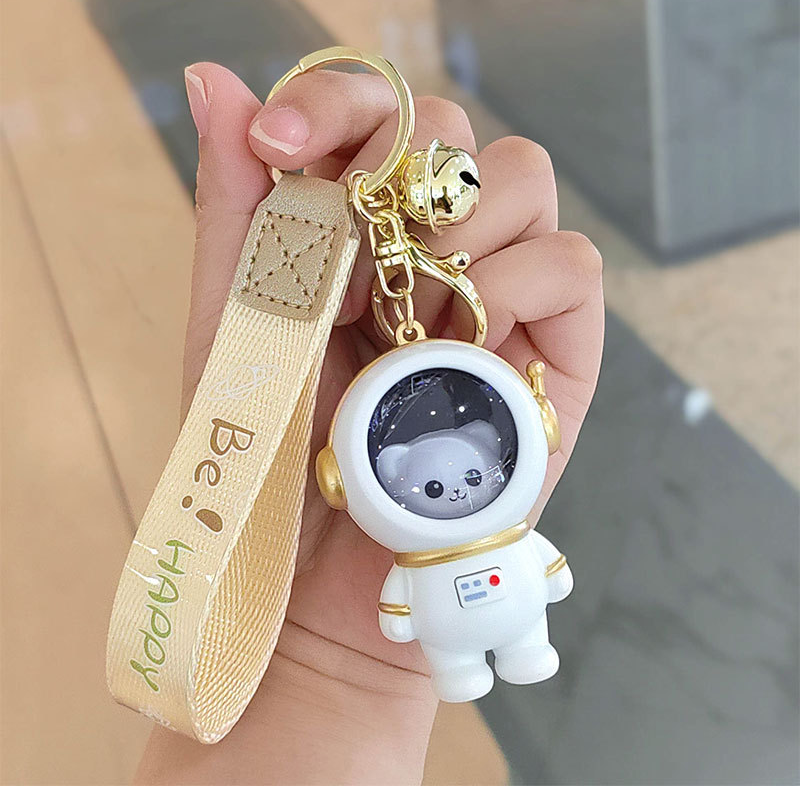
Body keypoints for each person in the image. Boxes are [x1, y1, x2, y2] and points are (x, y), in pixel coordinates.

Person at [135, 62, 604, 785]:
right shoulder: (395, 507)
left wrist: (340, 671)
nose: (458, 494)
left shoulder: (474, 490)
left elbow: (529, 574)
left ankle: (523, 652)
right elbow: (535, 577)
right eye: (436, 489)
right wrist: (316, 662)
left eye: (468, 478)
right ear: (347, 479)